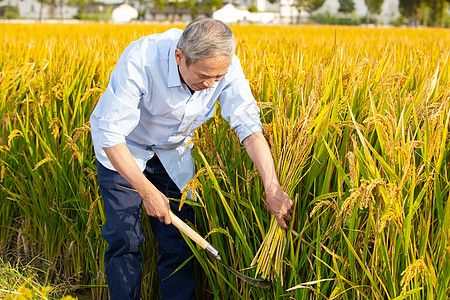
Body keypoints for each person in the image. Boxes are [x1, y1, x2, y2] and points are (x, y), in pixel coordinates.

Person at [90, 17, 293, 300]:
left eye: (218, 78)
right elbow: (111, 135)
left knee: (179, 242)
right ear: (179, 57)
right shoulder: (142, 59)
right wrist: (147, 191)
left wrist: (272, 186)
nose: (211, 85)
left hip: (173, 152)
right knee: (125, 237)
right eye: (202, 77)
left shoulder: (224, 66)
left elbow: (249, 129)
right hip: (125, 149)